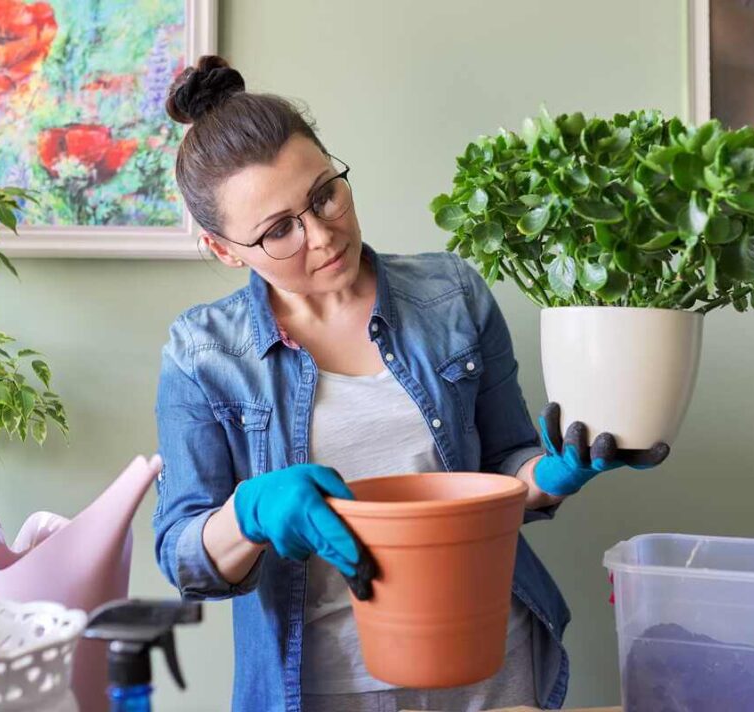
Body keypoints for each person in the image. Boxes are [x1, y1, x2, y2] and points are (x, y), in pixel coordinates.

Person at [152, 55, 669, 712]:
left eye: (323, 195)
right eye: (278, 230)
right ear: (225, 249)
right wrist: (248, 513)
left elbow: (503, 467)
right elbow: (182, 557)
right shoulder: (202, 350)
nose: (320, 234)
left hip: (490, 668)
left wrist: (553, 473)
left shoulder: (450, 295)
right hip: (321, 688)